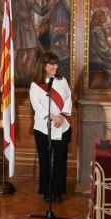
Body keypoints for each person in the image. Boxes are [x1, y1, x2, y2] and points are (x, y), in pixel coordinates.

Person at [29, 52, 72, 203]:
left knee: (60, 160)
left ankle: (58, 190)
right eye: (51, 64)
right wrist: (52, 117)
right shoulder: (35, 85)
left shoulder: (62, 80)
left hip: (62, 125)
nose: (55, 66)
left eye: (56, 64)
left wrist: (61, 116)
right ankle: (46, 190)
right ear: (43, 66)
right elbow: (37, 106)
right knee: (45, 160)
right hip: (43, 128)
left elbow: (68, 99)